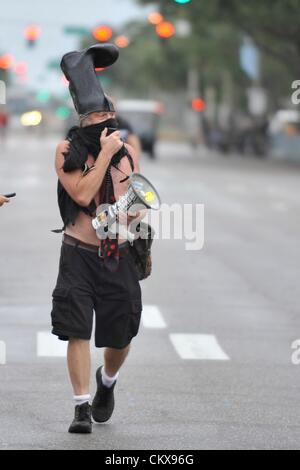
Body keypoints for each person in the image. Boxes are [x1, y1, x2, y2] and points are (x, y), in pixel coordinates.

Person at [51, 44, 146, 434]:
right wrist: (104, 155)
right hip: (77, 254)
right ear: (84, 119)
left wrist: (133, 211)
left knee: (121, 334)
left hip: (117, 253)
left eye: (110, 116)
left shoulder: (125, 153)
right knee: (76, 329)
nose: (107, 123)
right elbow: (82, 195)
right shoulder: (65, 152)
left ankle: (106, 382)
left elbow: (135, 200)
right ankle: (80, 407)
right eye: (99, 117)